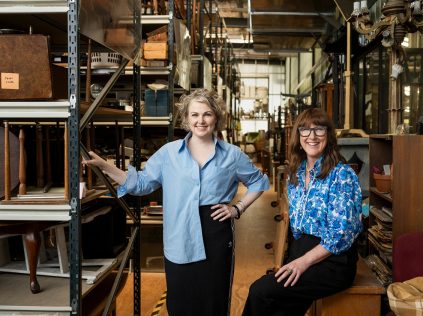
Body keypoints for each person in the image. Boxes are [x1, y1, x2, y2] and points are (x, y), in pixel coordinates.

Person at [83, 89, 270, 316]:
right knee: (180, 302)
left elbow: (259, 183)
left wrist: (237, 208)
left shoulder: (232, 155)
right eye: (194, 115)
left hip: (216, 232)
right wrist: (105, 166)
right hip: (179, 235)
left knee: (214, 302)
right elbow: (141, 184)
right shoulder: (169, 153)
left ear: (216, 117)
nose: (201, 120)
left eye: (207, 114)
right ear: (186, 118)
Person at [242, 108, 363, 316]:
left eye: (319, 130)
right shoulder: (296, 174)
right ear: (298, 137)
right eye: (305, 130)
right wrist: (294, 258)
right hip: (302, 251)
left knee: (260, 292)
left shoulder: (342, 175)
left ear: (329, 135)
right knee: (279, 311)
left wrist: (302, 262)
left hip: (333, 261)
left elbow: (340, 235)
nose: (312, 136)